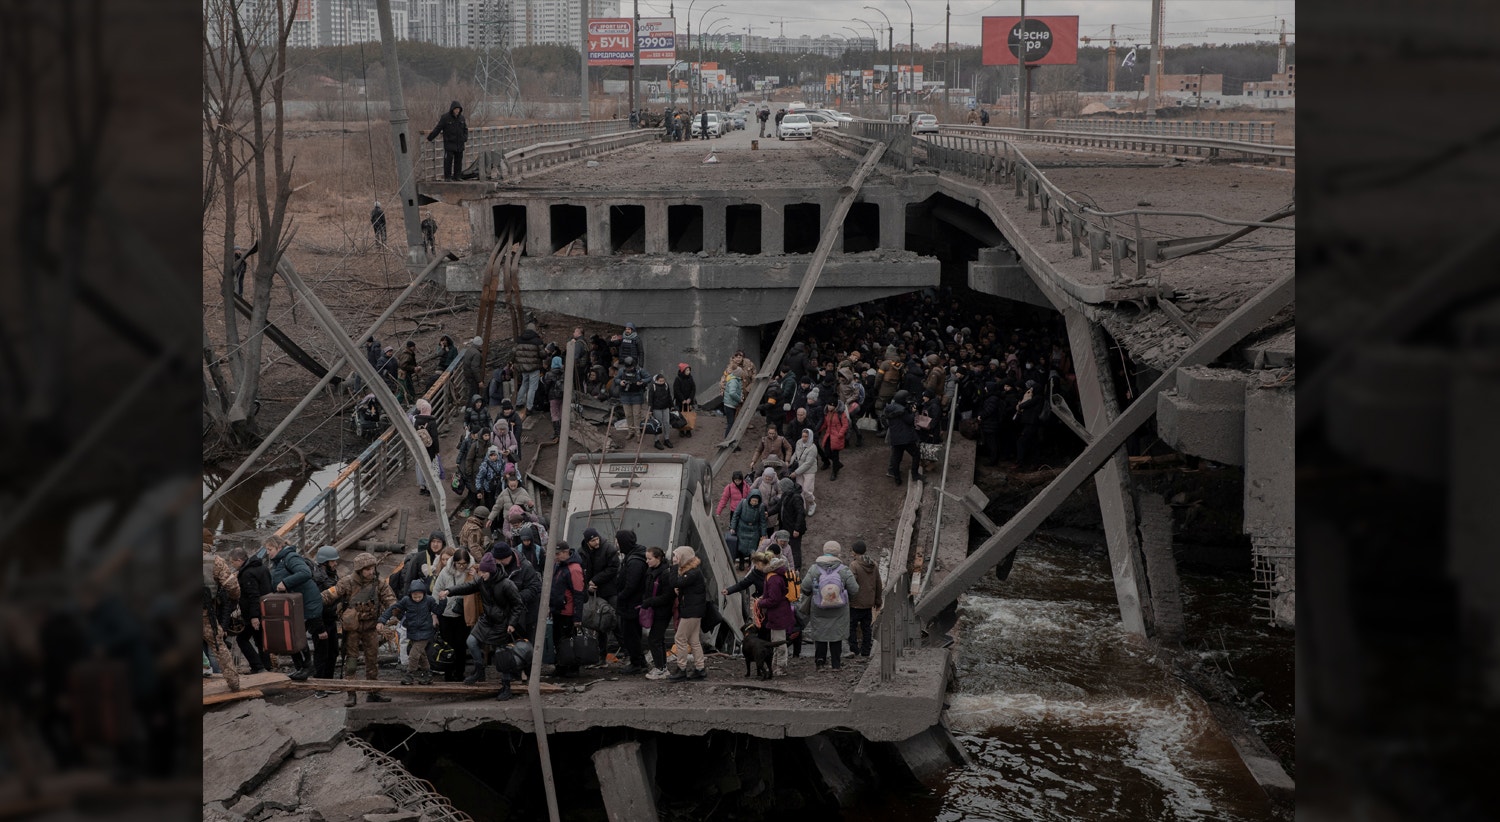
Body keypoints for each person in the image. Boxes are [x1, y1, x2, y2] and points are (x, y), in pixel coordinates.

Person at [438, 552, 524, 695]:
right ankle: (479, 669)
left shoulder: (506, 584)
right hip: (486, 620)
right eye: (481, 571)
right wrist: (449, 591)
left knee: (501, 654)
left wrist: (512, 623)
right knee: (471, 642)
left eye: (484, 572)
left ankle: (506, 684)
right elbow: (467, 587)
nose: (481, 574)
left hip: (502, 622)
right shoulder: (481, 581)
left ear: (491, 571)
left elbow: (517, 605)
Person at [322, 552, 396, 705]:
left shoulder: (380, 584)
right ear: (359, 570)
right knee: (351, 661)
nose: (371, 572)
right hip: (352, 630)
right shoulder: (346, 583)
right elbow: (328, 595)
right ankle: (351, 693)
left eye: (372, 569)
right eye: (367, 569)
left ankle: (373, 692)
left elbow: (391, 600)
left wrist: (395, 614)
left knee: (372, 659)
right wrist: (311, 602)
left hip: (370, 628)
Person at [264, 535, 323, 682]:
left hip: (306, 604)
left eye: (269, 549)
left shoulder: (290, 557)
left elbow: (305, 573)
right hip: (295, 605)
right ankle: (301, 668)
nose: (268, 553)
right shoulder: (279, 562)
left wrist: (285, 582)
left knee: (296, 635)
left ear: (279, 547)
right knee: (291, 634)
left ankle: (307, 666)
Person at [802, 540, 859, 672]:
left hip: (818, 607)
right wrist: (844, 596)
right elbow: (855, 589)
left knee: (821, 634)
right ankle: (835, 664)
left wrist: (816, 593)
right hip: (839, 609)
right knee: (836, 635)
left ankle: (820, 662)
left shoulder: (814, 568)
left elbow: (804, 588)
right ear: (838, 553)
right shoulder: (843, 570)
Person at [381, 580, 440, 685]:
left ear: (423, 594)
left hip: (425, 632)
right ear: (411, 594)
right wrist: (382, 620)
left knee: (413, 655)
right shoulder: (406, 601)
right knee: (421, 654)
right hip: (412, 632)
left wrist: (443, 601)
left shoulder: (429, 600)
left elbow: (438, 610)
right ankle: (427, 674)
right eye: (415, 597)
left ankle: (410, 675)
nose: (417, 599)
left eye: (419, 597)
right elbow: (393, 608)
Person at [202, 540, 242, 692]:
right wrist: (233, 598)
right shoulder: (215, 561)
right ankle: (233, 683)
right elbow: (232, 585)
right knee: (219, 647)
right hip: (206, 613)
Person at [432, 549, 475, 681]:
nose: (461, 566)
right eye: (459, 564)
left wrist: (475, 576)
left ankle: (459, 672)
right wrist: (434, 614)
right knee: (447, 645)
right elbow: (436, 591)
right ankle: (448, 673)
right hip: (446, 613)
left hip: (463, 614)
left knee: (461, 644)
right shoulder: (445, 573)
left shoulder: (471, 571)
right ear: (454, 563)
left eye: (464, 564)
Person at [228, 546, 272, 675]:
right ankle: (266, 666)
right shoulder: (261, 567)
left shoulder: (247, 574)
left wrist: (254, 617)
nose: (232, 565)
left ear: (240, 560)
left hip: (253, 614)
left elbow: (253, 596)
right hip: (265, 609)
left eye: (233, 562)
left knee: (242, 639)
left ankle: (257, 666)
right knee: (260, 640)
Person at [612, 530, 651, 675]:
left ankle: (636, 663)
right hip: (631, 602)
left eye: (617, 541)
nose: (615, 543)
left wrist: (621, 596)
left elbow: (631, 584)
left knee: (630, 634)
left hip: (631, 604)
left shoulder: (634, 560)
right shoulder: (634, 556)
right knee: (632, 633)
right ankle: (639, 661)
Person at [667, 546, 708, 681]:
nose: (674, 559)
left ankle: (682, 668)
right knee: (694, 640)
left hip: (691, 610)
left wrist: (673, 567)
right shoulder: (693, 572)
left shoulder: (692, 573)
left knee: (680, 638)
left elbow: (674, 582)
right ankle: (700, 668)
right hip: (696, 610)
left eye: (676, 556)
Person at [579, 528, 620, 663]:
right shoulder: (582, 552)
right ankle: (601, 656)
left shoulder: (608, 549)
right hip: (593, 592)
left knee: (614, 621)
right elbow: (583, 572)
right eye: (592, 540)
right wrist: (588, 587)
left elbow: (613, 568)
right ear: (587, 541)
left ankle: (628, 651)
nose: (596, 542)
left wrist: (595, 580)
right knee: (599, 624)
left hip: (609, 591)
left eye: (596, 539)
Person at [549, 541, 587, 677]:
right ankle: (562, 665)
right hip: (559, 610)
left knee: (568, 641)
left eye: (558, 554)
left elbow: (578, 594)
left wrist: (577, 618)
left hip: (568, 612)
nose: (556, 557)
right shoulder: (559, 565)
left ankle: (572, 667)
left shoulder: (574, 569)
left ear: (566, 552)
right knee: (559, 640)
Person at [640, 547, 677, 679]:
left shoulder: (665, 573)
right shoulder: (652, 571)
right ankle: (662, 667)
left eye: (650, 559)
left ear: (658, 558)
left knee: (654, 639)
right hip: (654, 609)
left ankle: (660, 668)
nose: (647, 561)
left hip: (662, 611)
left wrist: (650, 601)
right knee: (658, 639)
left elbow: (668, 596)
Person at [756, 552, 794, 677]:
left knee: (779, 642)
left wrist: (760, 603)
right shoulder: (775, 575)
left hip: (778, 614)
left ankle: (780, 667)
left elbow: (774, 600)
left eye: (757, 564)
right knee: (776, 640)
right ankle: (776, 666)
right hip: (780, 613)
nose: (756, 567)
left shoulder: (773, 579)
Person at [310, 545, 342, 680]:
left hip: (330, 619)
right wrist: (320, 628)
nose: (335, 563)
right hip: (321, 622)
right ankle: (320, 684)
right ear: (325, 562)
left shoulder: (331, 575)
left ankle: (328, 681)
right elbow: (314, 605)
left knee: (333, 651)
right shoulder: (318, 580)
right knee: (322, 654)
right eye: (333, 561)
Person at [847, 541, 882, 657]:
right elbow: (878, 583)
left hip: (856, 602)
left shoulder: (854, 565)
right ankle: (866, 651)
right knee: (866, 628)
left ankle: (854, 649)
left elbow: (851, 583)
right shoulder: (873, 564)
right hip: (868, 602)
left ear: (854, 552)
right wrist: (878, 600)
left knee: (851, 626)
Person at [885, 389, 923, 485]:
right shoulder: (902, 410)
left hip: (895, 437)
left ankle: (897, 479)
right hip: (906, 438)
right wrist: (913, 412)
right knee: (916, 454)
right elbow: (909, 420)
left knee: (896, 458)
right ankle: (915, 474)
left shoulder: (889, 408)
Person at [426, 100, 470, 181]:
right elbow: (438, 128)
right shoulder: (445, 117)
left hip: (459, 143)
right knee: (448, 161)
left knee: (458, 161)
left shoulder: (462, 118)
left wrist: (465, 138)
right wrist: (430, 138)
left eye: (458, 109)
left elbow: (465, 129)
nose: (457, 111)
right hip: (449, 143)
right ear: (452, 109)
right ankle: (448, 177)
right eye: (455, 109)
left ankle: (457, 176)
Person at [729, 488, 769, 569]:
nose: (754, 503)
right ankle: (741, 562)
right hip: (742, 527)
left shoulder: (761, 507)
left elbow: (762, 521)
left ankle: (751, 564)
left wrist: (763, 534)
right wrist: (733, 527)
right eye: (753, 501)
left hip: (754, 529)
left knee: (753, 547)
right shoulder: (743, 503)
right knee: (740, 546)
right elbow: (736, 515)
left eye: (756, 501)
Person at [511, 321, 545, 417]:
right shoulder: (537, 341)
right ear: (534, 330)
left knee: (524, 384)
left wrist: (513, 362)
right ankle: (529, 407)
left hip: (523, 368)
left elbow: (513, 352)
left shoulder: (519, 339)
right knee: (532, 388)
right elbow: (542, 354)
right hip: (534, 368)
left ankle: (518, 403)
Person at [776, 472, 808, 568]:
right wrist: (768, 513)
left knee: (795, 549)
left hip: (794, 529)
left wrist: (797, 529)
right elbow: (779, 506)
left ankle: (797, 568)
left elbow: (801, 514)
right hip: (786, 526)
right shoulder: (786, 494)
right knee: (788, 547)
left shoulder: (796, 497)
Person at [412, 398, 442, 495]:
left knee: (420, 465)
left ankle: (422, 486)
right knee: (430, 466)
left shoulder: (416, 421)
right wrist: (437, 450)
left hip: (419, 447)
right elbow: (435, 437)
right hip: (430, 448)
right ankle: (429, 488)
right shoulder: (432, 422)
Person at [615, 355, 650, 435]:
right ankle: (630, 431)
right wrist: (620, 382)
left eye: (630, 367)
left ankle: (638, 432)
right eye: (628, 368)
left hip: (637, 395)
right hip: (625, 395)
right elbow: (616, 379)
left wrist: (642, 381)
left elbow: (649, 378)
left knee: (637, 414)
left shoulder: (639, 370)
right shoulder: (621, 371)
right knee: (628, 414)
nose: (629, 369)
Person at [790, 428, 819, 516]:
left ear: (810, 437)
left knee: (807, 490)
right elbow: (796, 454)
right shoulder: (799, 442)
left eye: (806, 436)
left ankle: (812, 504)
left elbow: (808, 464)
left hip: (809, 471)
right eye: (803, 436)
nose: (804, 438)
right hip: (799, 469)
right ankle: (802, 508)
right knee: (800, 490)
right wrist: (790, 463)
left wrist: (796, 472)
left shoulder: (813, 448)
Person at [819, 398, 850, 481]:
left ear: (835, 406)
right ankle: (837, 464)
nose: (829, 407)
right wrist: (819, 429)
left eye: (831, 405)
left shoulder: (841, 413)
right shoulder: (827, 413)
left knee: (835, 455)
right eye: (829, 405)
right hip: (829, 435)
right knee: (827, 452)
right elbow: (826, 423)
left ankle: (834, 471)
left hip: (836, 436)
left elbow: (845, 425)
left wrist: (840, 434)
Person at [1015, 379, 1044, 468]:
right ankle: (1035, 462)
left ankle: (1021, 462)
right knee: (1033, 443)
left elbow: (1025, 404)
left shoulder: (1037, 398)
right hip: (1032, 423)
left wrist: (1019, 405)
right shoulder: (1039, 397)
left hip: (1031, 423)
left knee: (1021, 441)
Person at [647, 372, 673, 449]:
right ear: (657, 380)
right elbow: (650, 399)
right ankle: (656, 441)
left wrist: (672, 406)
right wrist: (650, 410)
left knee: (667, 423)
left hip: (665, 407)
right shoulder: (653, 387)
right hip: (656, 408)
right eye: (660, 381)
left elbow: (669, 396)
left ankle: (666, 439)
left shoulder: (666, 385)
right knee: (658, 424)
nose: (662, 382)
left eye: (663, 381)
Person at [543, 355, 566, 442]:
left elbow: (546, 386)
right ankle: (564, 431)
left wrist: (546, 395)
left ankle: (557, 432)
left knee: (554, 414)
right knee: (561, 412)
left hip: (553, 396)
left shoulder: (549, 374)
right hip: (563, 395)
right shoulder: (564, 373)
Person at [672, 362, 697, 438]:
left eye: (689, 370)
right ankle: (681, 430)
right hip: (680, 402)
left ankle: (688, 430)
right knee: (681, 415)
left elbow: (693, 389)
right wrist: (682, 399)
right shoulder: (678, 379)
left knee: (688, 415)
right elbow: (676, 390)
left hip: (689, 401)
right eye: (687, 370)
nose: (688, 372)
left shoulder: (690, 378)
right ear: (683, 371)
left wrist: (690, 398)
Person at [722, 366, 745, 436]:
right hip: (730, 405)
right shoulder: (734, 381)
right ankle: (727, 440)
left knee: (731, 423)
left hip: (729, 404)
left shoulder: (733, 378)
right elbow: (732, 393)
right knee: (731, 424)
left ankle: (728, 439)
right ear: (739, 374)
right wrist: (739, 399)